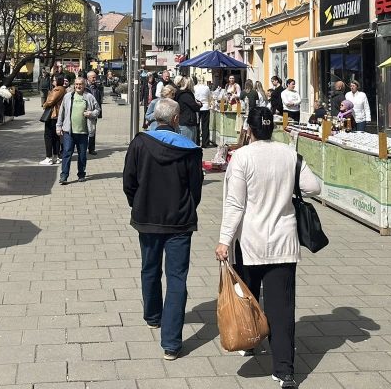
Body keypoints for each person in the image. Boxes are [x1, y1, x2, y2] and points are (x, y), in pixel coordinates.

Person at [215, 106, 321, 388]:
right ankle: (285, 371)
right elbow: (314, 187)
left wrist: (224, 240)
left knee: (248, 298)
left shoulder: (242, 157)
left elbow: (235, 204)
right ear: (271, 128)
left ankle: (250, 341)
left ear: (249, 129)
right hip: (284, 243)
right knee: (282, 308)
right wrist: (290, 191)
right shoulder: (289, 154)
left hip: (250, 243)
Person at [123, 97, 203, 361]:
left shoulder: (139, 143)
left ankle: (153, 316)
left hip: (147, 217)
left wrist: (137, 203)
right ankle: (171, 343)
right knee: (177, 277)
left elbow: (129, 181)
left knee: (150, 267)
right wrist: (188, 206)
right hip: (179, 220)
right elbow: (196, 188)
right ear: (176, 119)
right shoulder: (190, 149)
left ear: (155, 118)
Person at [56, 77, 100, 185]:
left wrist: (91, 113)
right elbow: (61, 112)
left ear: (84, 85)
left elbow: (98, 110)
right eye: (76, 84)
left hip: (83, 132)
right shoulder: (68, 96)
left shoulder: (89, 97)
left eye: (80, 84)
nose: (78, 86)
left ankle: (81, 175)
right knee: (67, 153)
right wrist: (58, 126)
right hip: (69, 131)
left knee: (82, 155)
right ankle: (64, 176)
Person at [40, 77, 68, 165]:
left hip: (53, 115)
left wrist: (44, 105)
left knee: (48, 136)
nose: (53, 81)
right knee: (56, 137)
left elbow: (50, 101)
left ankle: (48, 158)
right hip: (58, 115)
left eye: (54, 80)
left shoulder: (57, 89)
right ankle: (56, 156)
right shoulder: (63, 89)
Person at [174, 76, 201, 145]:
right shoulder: (185, 95)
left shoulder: (182, 93)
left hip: (185, 121)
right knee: (188, 144)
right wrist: (199, 104)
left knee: (187, 144)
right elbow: (195, 107)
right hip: (187, 122)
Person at [86, 70, 104, 154]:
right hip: (85, 112)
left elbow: (99, 100)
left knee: (92, 130)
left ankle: (91, 148)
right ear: (88, 78)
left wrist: (99, 113)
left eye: (95, 77)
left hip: (94, 112)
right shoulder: (84, 87)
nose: (94, 79)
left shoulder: (97, 87)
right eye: (93, 77)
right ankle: (82, 147)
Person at [194, 75, 212, 147]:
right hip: (205, 107)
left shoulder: (195, 87)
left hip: (197, 107)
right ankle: (205, 143)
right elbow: (209, 97)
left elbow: (194, 97)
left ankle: (197, 142)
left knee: (197, 125)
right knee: (205, 125)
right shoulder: (206, 88)